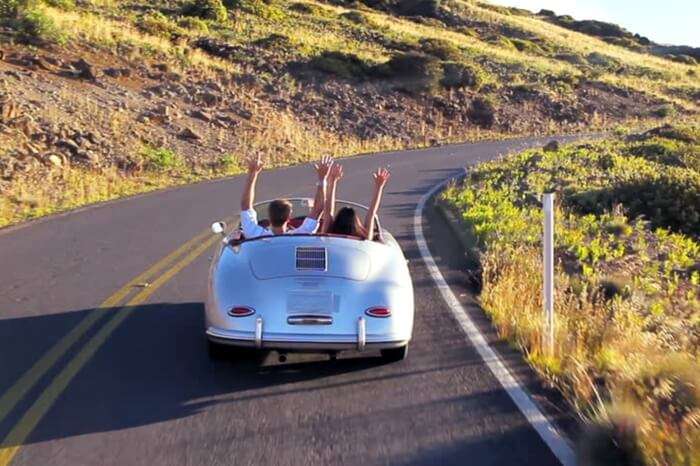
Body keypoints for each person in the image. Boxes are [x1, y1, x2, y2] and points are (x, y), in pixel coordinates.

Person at [239, 154, 333, 238]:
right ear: (289, 218)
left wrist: (252, 174)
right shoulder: (300, 235)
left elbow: (245, 206)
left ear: (269, 217)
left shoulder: (255, 234)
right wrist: (322, 179)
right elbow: (318, 209)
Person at [322, 164, 390, 240]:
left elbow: (328, 210)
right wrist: (379, 186)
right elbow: (372, 212)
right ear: (356, 223)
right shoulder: (365, 237)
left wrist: (333, 180)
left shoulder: (328, 233)